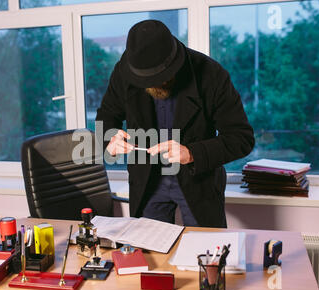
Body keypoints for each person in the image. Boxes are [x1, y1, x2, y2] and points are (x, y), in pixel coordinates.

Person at [96, 20, 254, 228]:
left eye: (157, 77)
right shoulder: (124, 71)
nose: (150, 84)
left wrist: (192, 153)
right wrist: (110, 139)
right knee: (150, 254)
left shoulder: (211, 73)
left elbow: (241, 138)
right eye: (144, 80)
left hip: (198, 182)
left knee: (204, 254)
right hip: (147, 181)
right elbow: (106, 116)